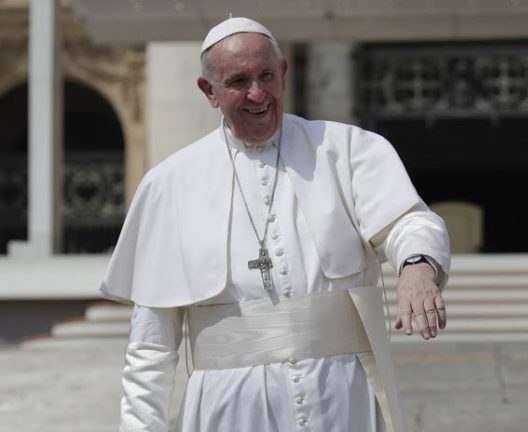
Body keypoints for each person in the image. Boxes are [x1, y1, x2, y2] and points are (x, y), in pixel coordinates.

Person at [101, 17, 450, 432]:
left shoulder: (347, 150)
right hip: (227, 410)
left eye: (267, 75)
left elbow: (408, 223)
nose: (257, 93)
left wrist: (416, 267)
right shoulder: (169, 184)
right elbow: (150, 345)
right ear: (208, 91)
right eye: (238, 81)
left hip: (339, 400)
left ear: (284, 73)